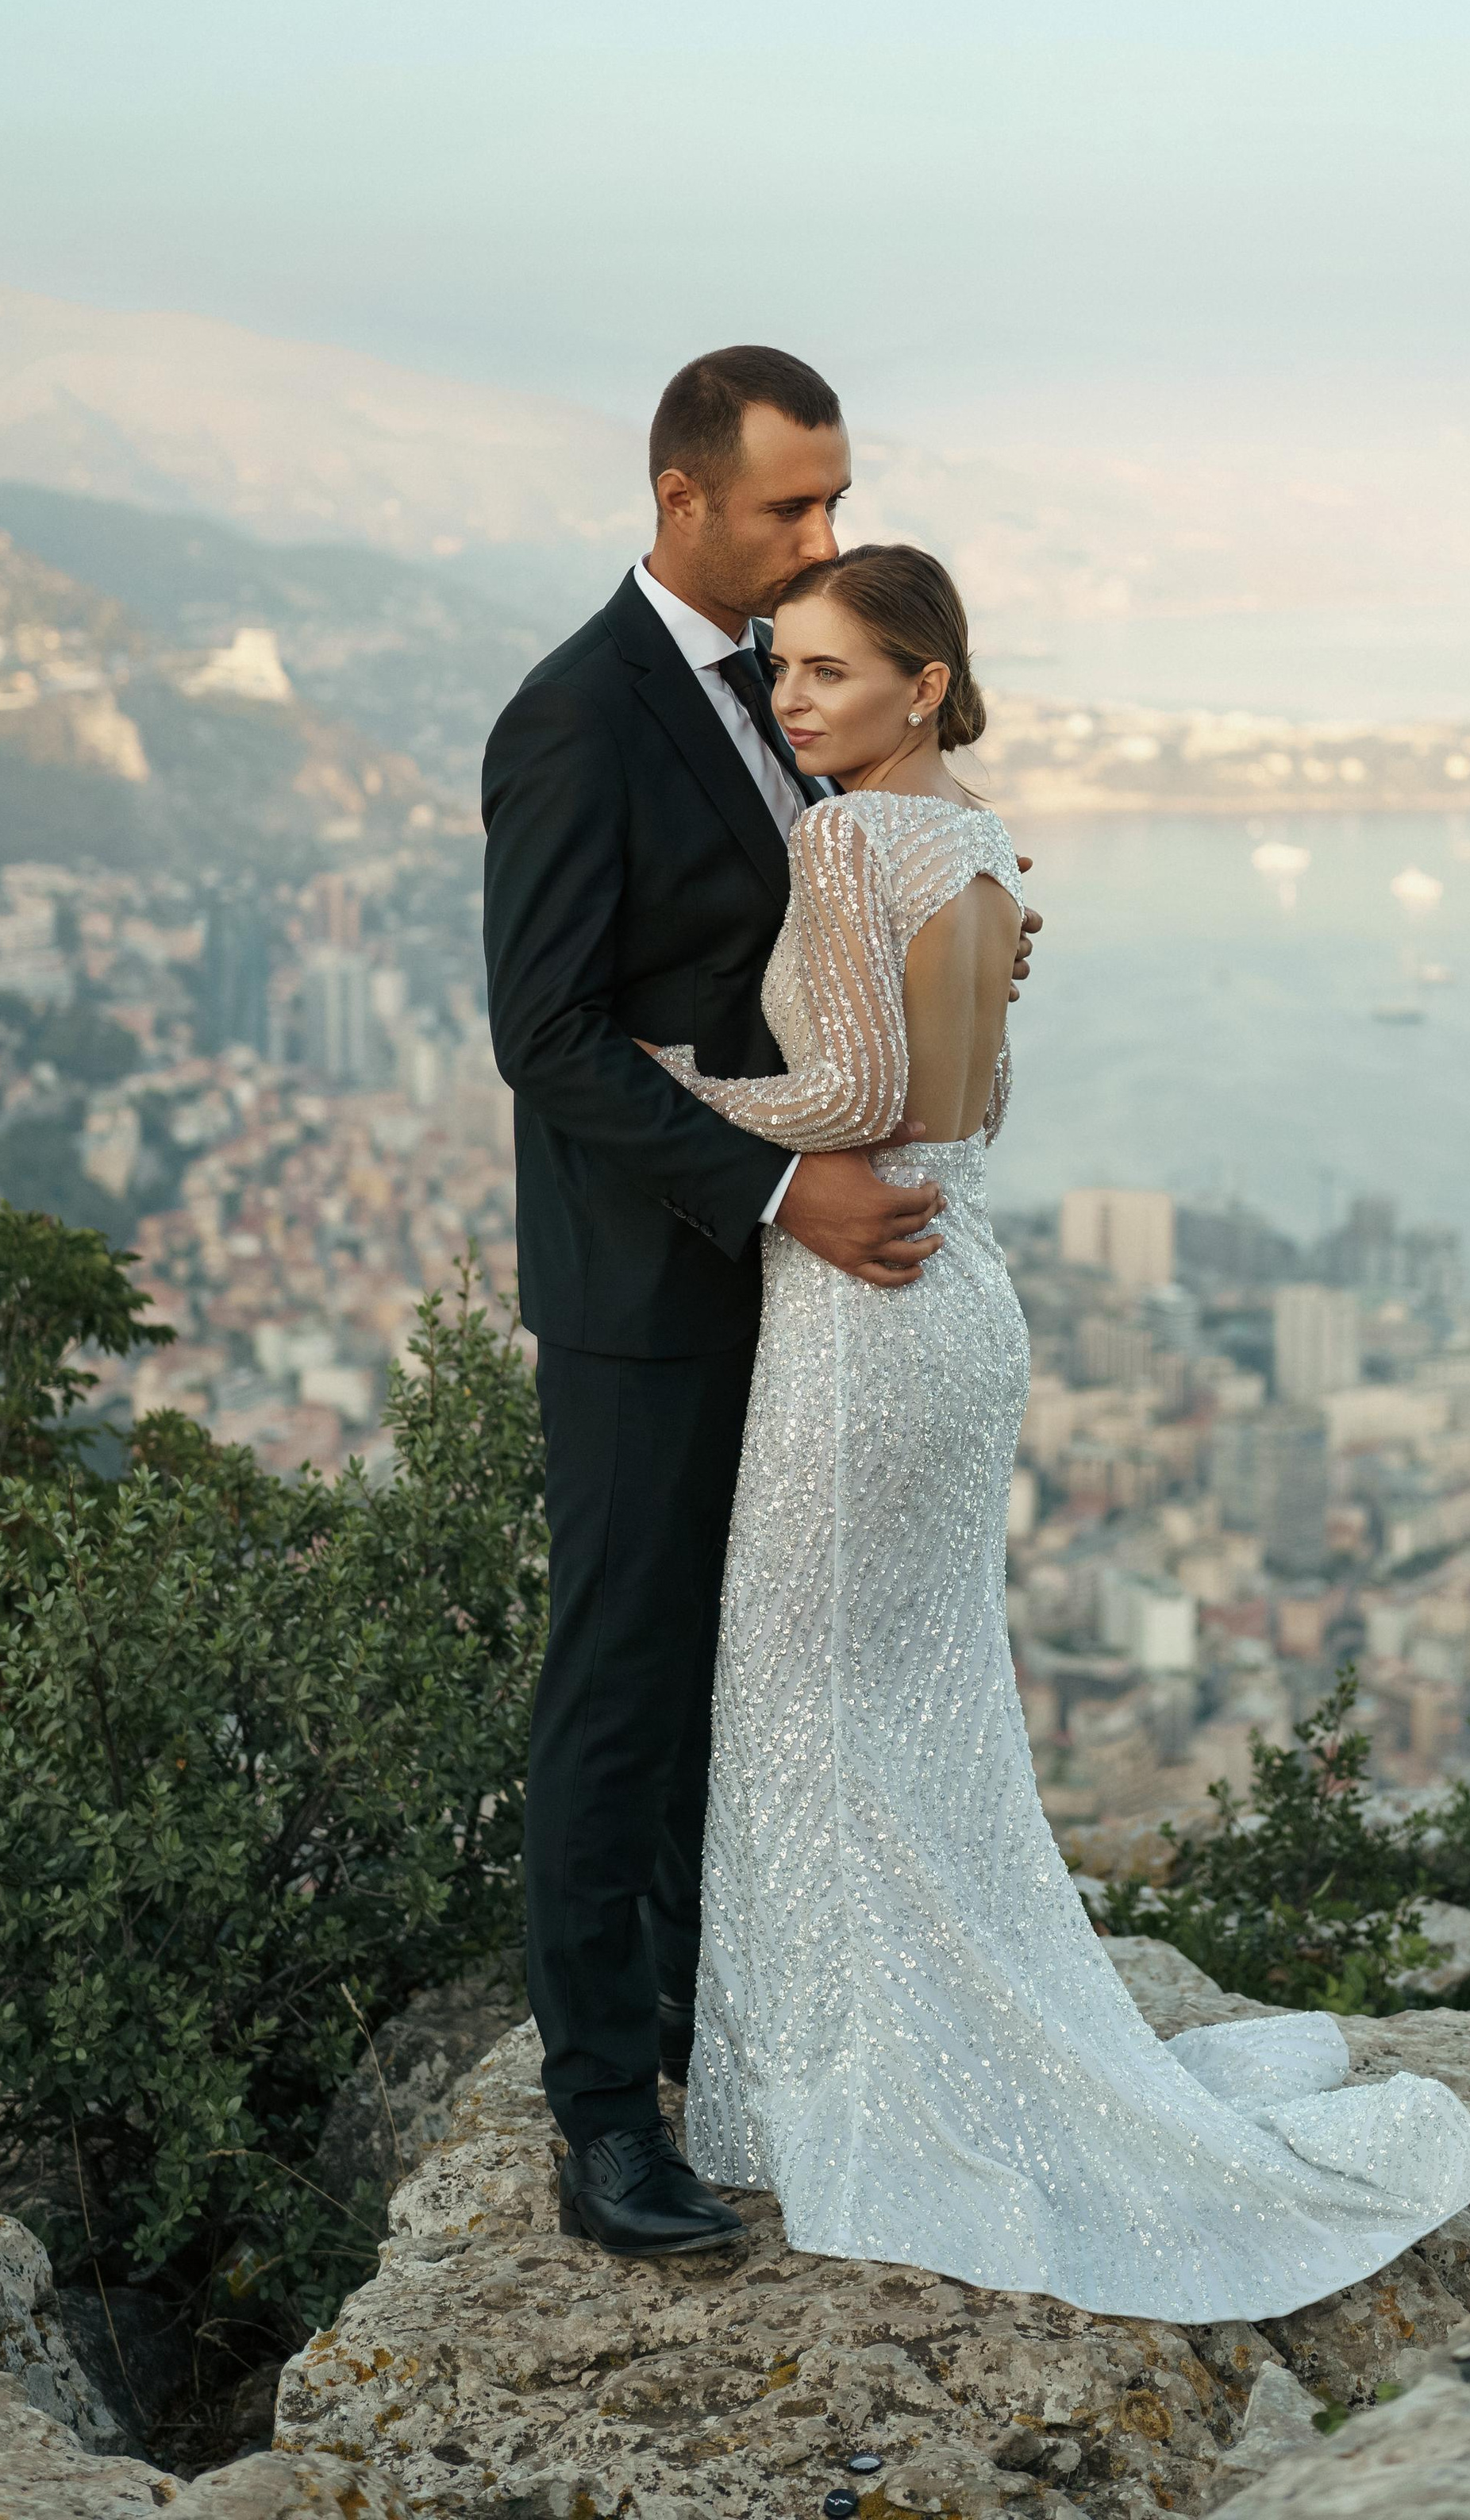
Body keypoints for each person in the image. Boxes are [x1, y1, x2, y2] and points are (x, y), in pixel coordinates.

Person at [652, 541, 1470, 2320]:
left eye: (822, 675)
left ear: (920, 686)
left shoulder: (846, 840)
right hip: (959, 1290)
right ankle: (947, 2049)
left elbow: (862, 1099)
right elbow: (975, 1098)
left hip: (863, 1308)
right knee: (917, 1693)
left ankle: (860, 2093)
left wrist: (678, 1086)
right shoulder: (977, 847)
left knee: (800, 1694)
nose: (788, 703)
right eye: (778, 673)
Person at [481, 349, 1038, 2260]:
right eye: (791, 509)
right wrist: (782, 1182)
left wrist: (967, 954)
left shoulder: (788, 699)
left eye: (836, 500)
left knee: (766, 1684)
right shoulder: (574, 715)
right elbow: (543, 1032)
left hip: (809, 1299)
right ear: (678, 500)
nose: (826, 537)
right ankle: (600, 2122)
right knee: (621, 1688)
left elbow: (826, 960)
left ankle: (753, 2052)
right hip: (655, 1283)